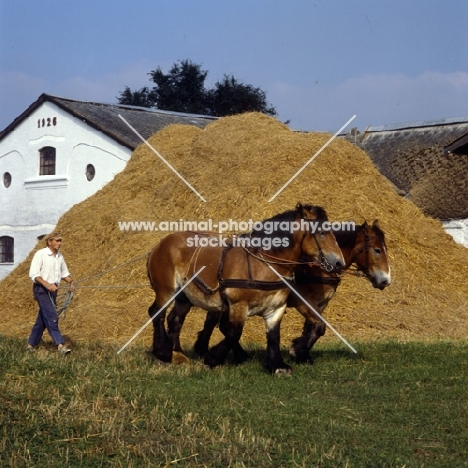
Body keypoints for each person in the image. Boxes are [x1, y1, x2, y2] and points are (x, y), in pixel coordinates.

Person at [27, 232, 75, 354]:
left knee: (42, 319)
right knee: (51, 316)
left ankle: (31, 345)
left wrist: (71, 283)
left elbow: (65, 274)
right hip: (41, 290)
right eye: (57, 240)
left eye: (61, 241)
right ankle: (60, 345)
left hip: (53, 291)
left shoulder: (60, 257)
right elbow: (34, 274)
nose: (60, 243)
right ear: (49, 241)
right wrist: (47, 285)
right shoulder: (41, 254)